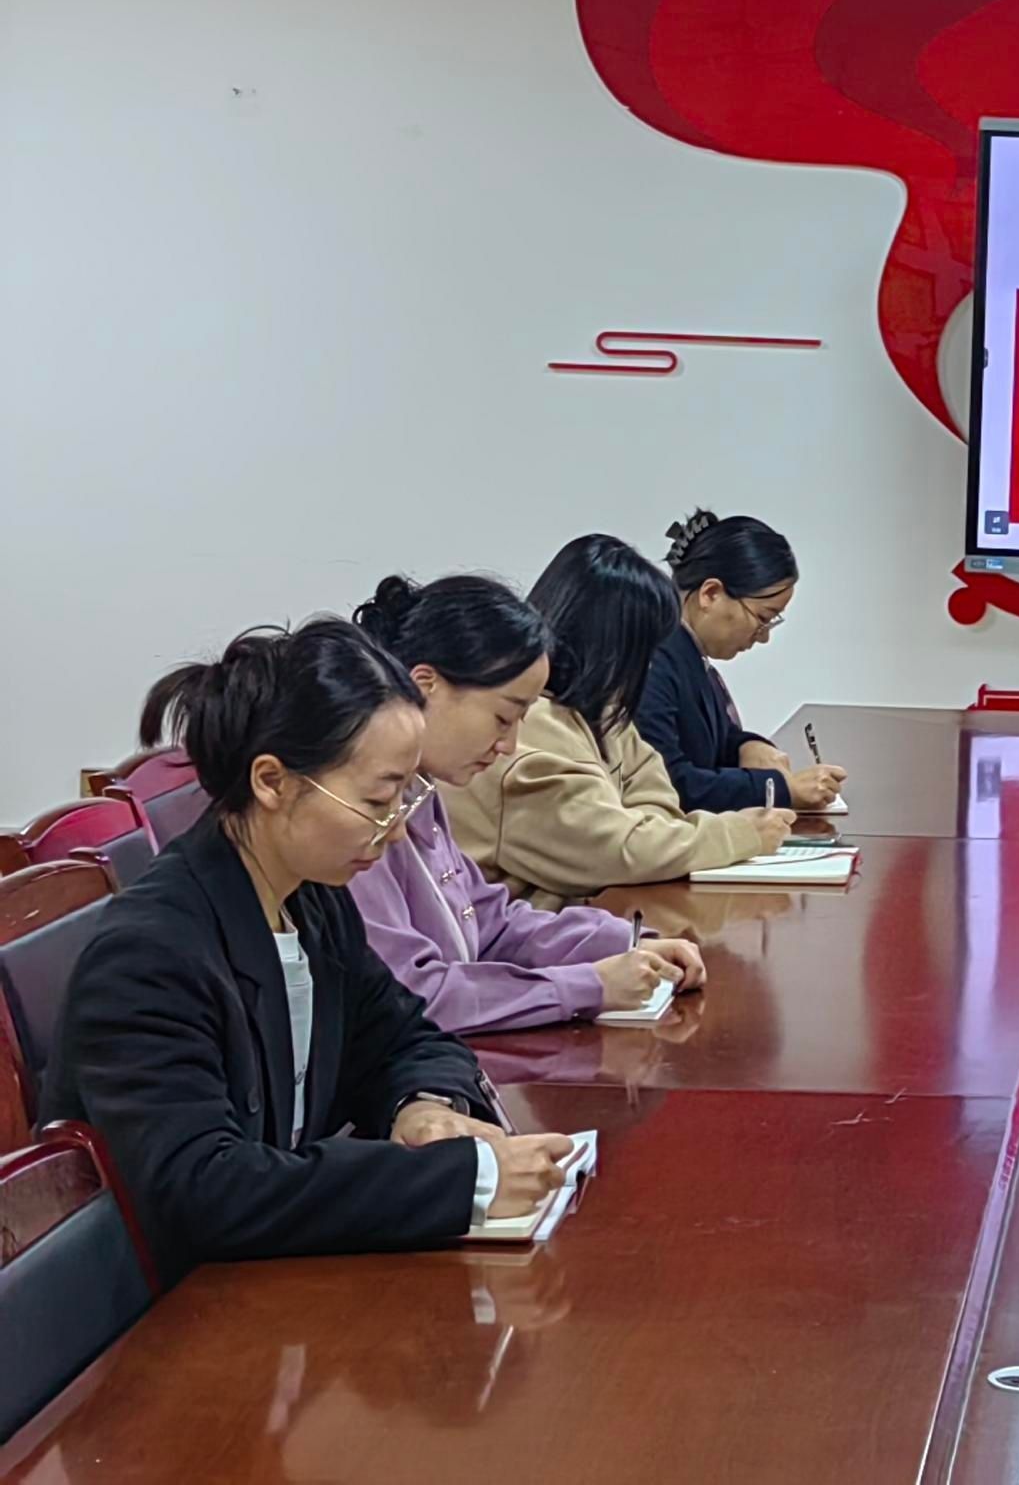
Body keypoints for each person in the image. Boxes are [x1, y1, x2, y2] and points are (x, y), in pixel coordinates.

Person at [42, 620, 577, 1279]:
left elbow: (407, 1036)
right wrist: (460, 1181)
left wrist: (423, 1108)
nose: (394, 829)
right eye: (378, 798)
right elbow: (204, 1189)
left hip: (275, 1273)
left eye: (404, 796)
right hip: (174, 1305)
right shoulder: (151, 955)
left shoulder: (311, 899)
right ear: (272, 781)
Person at [347, 573, 708, 1034]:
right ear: (425, 685)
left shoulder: (421, 792)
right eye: (503, 718)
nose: (509, 745)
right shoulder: (358, 816)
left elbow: (491, 923)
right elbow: (414, 995)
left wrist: (622, 942)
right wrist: (588, 985)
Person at [446, 534, 793, 907]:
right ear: (612, 645)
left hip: (582, 923)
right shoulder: (530, 728)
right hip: (524, 937)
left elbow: (659, 812)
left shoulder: (603, 712)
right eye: (645, 650)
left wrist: (641, 840)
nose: (649, 665)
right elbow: (617, 853)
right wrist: (739, 834)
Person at [638, 510, 844, 814]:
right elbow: (669, 784)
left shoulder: (686, 652)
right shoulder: (651, 662)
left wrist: (746, 746)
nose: (763, 637)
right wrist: (780, 790)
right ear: (710, 594)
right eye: (762, 618)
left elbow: (711, 738)